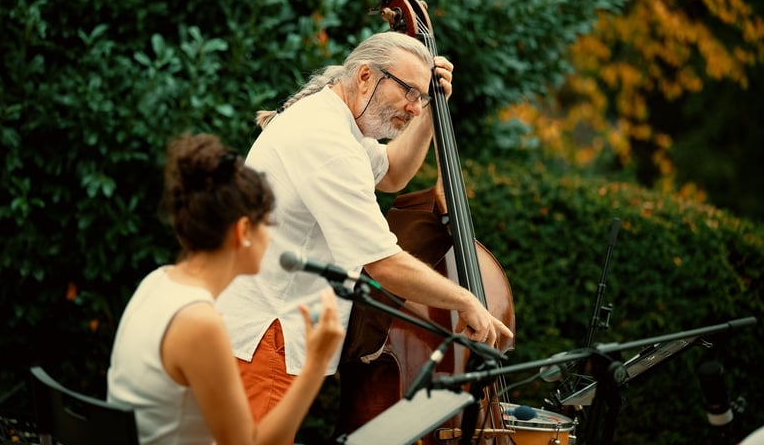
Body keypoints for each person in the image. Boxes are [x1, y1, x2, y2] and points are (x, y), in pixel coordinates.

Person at [217, 31, 514, 429]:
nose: (412, 106)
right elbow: (383, 264)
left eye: (421, 97)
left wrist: (430, 114)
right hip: (267, 339)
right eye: (409, 92)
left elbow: (391, 172)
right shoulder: (329, 143)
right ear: (364, 77)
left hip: (260, 334)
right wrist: (466, 301)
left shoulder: (335, 123)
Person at [106, 133, 345, 445]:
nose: (272, 240)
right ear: (243, 231)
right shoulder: (199, 323)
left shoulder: (157, 282)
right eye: (268, 226)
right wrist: (315, 363)